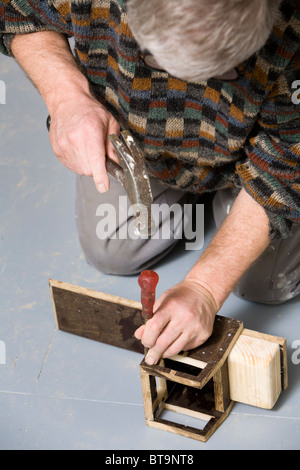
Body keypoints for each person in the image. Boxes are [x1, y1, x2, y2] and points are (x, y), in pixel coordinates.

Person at [0, 0, 299, 366]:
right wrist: (65, 96)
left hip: (258, 146)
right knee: (112, 250)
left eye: (225, 74)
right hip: (136, 131)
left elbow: (288, 158)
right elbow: (19, 11)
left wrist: (205, 288)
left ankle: (234, 191)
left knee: (262, 286)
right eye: (156, 61)